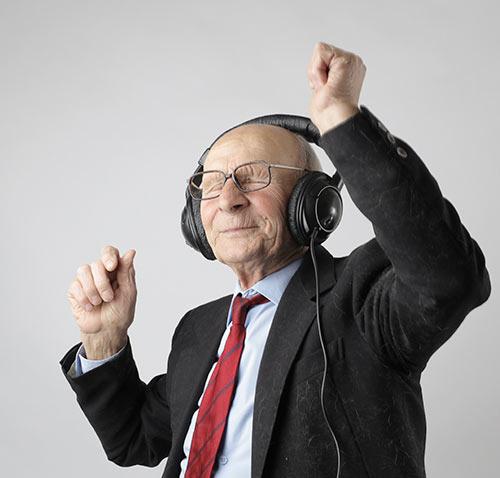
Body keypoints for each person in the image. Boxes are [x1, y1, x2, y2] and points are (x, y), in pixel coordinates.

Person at [60, 42, 491, 478]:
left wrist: (343, 121)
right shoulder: (198, 330)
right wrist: (103, 340)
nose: (228, 199)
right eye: (211, 183)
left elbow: (449, 279)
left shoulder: (362, 295)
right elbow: (134, 439)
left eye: (253, 177)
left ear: (314, 204)